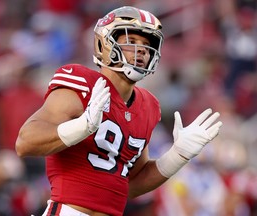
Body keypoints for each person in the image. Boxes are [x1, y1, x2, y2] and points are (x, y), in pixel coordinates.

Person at [15, 6, 223, 216]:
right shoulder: (82, 83)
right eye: (131, 41)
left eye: (146, 44)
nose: (141, 49)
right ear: (104, 43)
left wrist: (177, 156)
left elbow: (128, 184)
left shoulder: (148, 105)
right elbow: (25, 143)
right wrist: (81, 126)